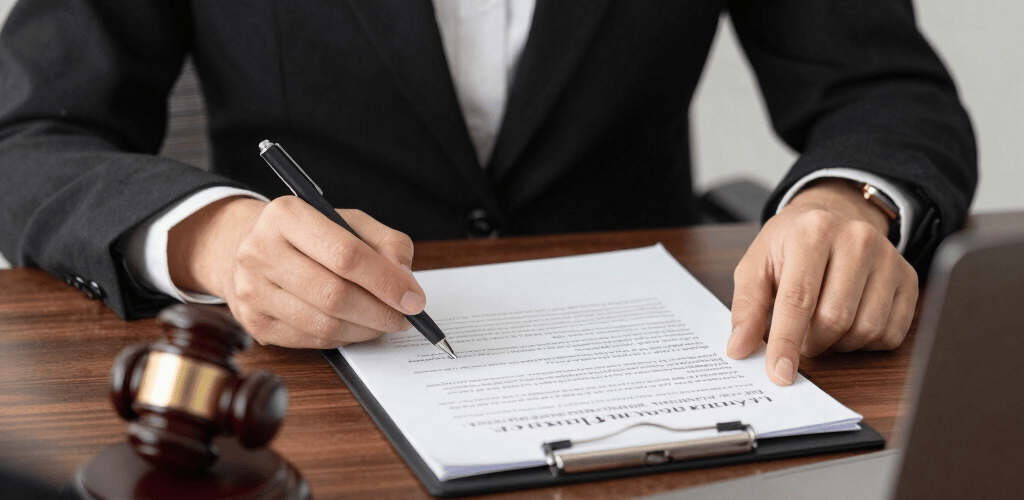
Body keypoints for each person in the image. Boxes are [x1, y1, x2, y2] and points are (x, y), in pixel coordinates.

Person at [0, 0, 975, 386]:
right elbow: (26, 134)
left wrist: (849, 203)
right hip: (310, 398)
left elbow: (881, 86)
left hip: (670, 385)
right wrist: (218, 235)